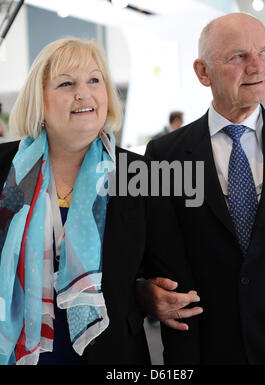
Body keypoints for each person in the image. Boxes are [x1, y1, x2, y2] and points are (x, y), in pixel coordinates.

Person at [0, 37, 199, 365]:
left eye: (94, 80)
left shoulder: (140, 174)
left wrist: (143, 289)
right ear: (39, 100)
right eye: (66, 83)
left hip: (111, 355)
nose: (84, 93)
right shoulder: (7, 170)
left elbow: (163, 272)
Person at [139, 12, 265, 364]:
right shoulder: (163, 155)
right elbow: (148, 253)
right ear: (202, 71)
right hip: (204, 347)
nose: (257, 67)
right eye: (239, 57)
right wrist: (146, 291)